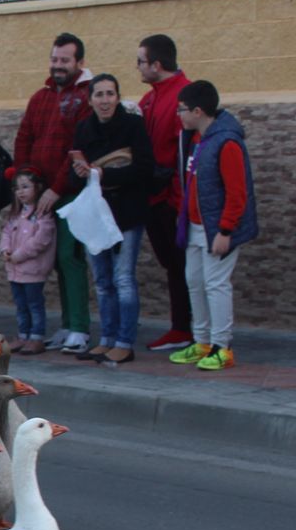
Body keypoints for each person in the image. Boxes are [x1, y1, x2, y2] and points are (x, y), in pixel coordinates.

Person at [15, 32, 95, 353]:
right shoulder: (40, 97)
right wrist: (24, 182)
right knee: (54, 261)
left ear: (79, 62)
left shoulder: (86, 97)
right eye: (54, 59)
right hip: (40, 192)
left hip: (71, 192)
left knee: (69, 257)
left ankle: (80, 327)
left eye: (65, 60)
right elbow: (25, 138)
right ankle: (65, 325)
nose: (58, 65)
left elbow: (78, 149)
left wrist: (57, 189)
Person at [170, 81, 256, 372]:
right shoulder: (197, 140)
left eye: (182, 109)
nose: (179, 115)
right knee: (194, 282)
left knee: (216, 285)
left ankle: (223, 346)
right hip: (195, 227)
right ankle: (203, 341)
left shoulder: (227, 142)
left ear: (197, 110)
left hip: (217, 230)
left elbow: (237, 192)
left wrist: (226, 230)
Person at [68, 73, 154, 364]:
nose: (105, 100)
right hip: (96, 215)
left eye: (110, 94)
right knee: (103, 281)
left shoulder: (133, 126)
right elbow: (75, 173)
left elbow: (144, 168)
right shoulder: (84, 129)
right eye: (99, 94)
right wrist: (81, 173)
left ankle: (124, 341)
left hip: (126, 213)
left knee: (123, 278)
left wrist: (105, 173)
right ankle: (106, 338)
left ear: (118, 97)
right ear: (90, 99)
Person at [136, 34, 194, 351]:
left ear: (157, 65)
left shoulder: (181, 96)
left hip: (171, 201)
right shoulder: (152, 98)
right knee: (173, 265)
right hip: (155, 198)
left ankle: (184, 328)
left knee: (180, 265)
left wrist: (176, 201)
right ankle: (182, 327)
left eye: (141, 62)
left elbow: (184, 155)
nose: (138, 69)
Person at [0, 169, 57, 354]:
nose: (21, 192)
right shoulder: (16, 214)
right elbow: (6, 233)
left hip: (33, 270)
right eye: (17, 188)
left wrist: (18, 255)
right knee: (21, 305)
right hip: (15, 270)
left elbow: (39, 242)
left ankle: (36, 337)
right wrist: (5, 249)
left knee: (34, 305)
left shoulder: (43, 215)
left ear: (38, 187)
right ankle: (23, 335)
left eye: (25, 187)